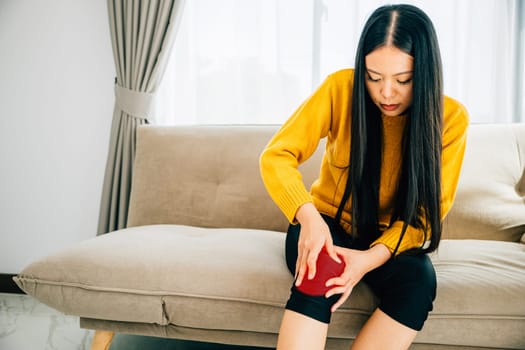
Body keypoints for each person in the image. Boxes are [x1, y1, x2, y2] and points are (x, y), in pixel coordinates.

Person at [259, 4, 469, 350]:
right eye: (374, 77)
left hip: (391, 240)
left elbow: (426, 218)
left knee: (419, 281)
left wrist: (369, 260)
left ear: (427, 73)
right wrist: (309, 218)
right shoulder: (339, 88)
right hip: (327, 223)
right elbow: (276, 155)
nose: (386, 93)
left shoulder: (452, 119)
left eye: (404, 80)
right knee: (320, 263)